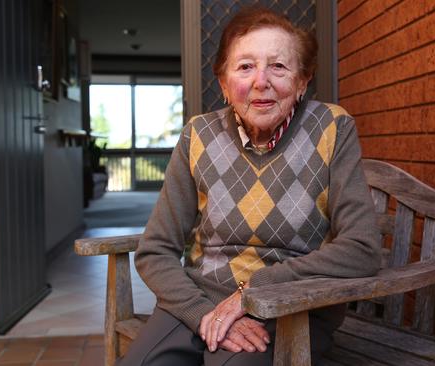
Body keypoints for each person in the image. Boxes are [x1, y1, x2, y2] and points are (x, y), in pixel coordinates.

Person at [118, 7, 382, 366]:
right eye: (245, 67)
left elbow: (362, 248)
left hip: (293, 304)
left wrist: (252, 292)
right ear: (225, 84)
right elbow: (155, 250)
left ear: (302, 81)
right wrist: (202, 314)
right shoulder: (198, 135)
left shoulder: (333, 128)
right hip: (200, 298)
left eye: (278, 66)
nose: (261, 81)